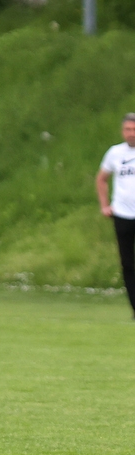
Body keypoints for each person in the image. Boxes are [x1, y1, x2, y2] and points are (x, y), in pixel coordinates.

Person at [96, 112, 135, 319]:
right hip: (122, 214)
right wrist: (105, 205)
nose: (131, 134)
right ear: (123, 131)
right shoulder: (115, 153)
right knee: (128, 263)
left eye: (134, 130)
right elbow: (101, 179)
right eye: (128, 129)